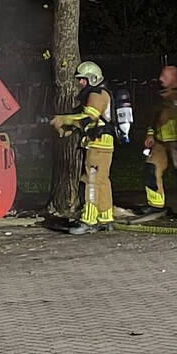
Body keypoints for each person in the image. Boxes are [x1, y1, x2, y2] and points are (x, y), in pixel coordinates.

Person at [50, 61, 116, 234]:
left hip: (98, 144)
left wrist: (63, 119)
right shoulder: (99, 94)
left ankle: (89, 221)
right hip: (101, 143)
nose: (80, 83)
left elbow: (88, 119)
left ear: (92, 79)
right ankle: (105, 218)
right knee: (102, 182)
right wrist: (68, 127)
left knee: (91, 182)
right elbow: (83, 118)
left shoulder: (96, 94)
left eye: (83, 80)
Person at [132, 65, 177, 218]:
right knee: (151, 168)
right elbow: (154, 119)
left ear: (174, 78)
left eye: (164, 76)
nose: (161, 79)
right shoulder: (160, 97)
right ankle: (155, 205)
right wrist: (150, 134)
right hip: (160, 141)